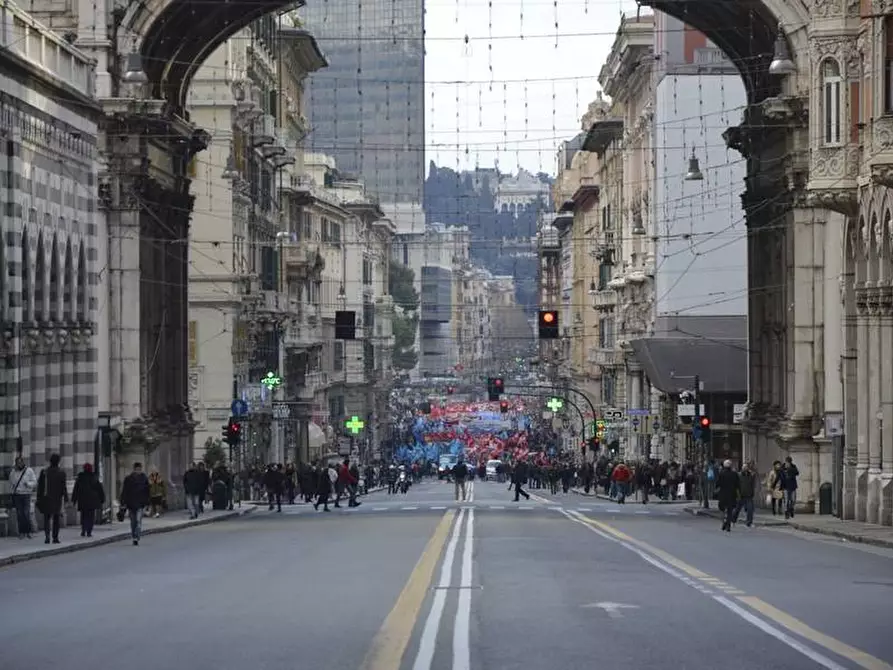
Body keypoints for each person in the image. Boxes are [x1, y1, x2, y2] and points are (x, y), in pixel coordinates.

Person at [36, 453, 68, 544]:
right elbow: (63, 487)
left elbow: (40, 486)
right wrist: (65, 498)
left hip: (46, 498)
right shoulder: (61, 473)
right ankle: (55, 537)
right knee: (56, 518)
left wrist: (39, 497)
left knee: (47, 517)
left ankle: (47, 536)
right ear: (58, 462)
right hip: (57, 498)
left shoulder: (44, 472)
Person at [120, 462, 150, 545]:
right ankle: (134, 536)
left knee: (138, 520)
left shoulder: (144, 479)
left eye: (139, 470)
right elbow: (125, 492)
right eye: (137, 470)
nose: (138, 471)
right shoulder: (128, 479)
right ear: (134, 470)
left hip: (140, 504)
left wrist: (147, 503)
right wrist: (123, 502)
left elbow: (147, 491)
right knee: (133, 522)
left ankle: (137, 535)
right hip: (131, 504)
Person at [71, 463, 105, 538]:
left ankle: (83, 529)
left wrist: (74, 499)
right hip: (92, 500)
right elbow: (100, 489)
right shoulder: (94, 477)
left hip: (83, 499)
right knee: (91, 516)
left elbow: (76, 489)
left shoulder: (80, 477)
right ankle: (89, 531)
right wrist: (102, 499)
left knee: (84, 515)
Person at [8, 456, 37, 539]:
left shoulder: (29, 471)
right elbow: (11, 483)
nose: (19, 464)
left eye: (21, 462)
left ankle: (27, 532)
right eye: (18, 463)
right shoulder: (13, 472)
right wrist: (11, 493)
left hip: (26, 494)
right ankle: (21, 532)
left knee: (26, 513)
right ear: (16, 463)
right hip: (17, 495)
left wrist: (28, 484)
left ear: (23, 462)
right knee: (19, 514)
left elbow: (35, 482)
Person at [716, 459, 740, 533]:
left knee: (722, 509)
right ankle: (728, 525)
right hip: (732, 494)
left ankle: (724, 522)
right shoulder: (734, 474)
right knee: (730, 510)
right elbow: (738, 484)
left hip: (723, 494)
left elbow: (718, 484)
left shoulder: (721, 473)